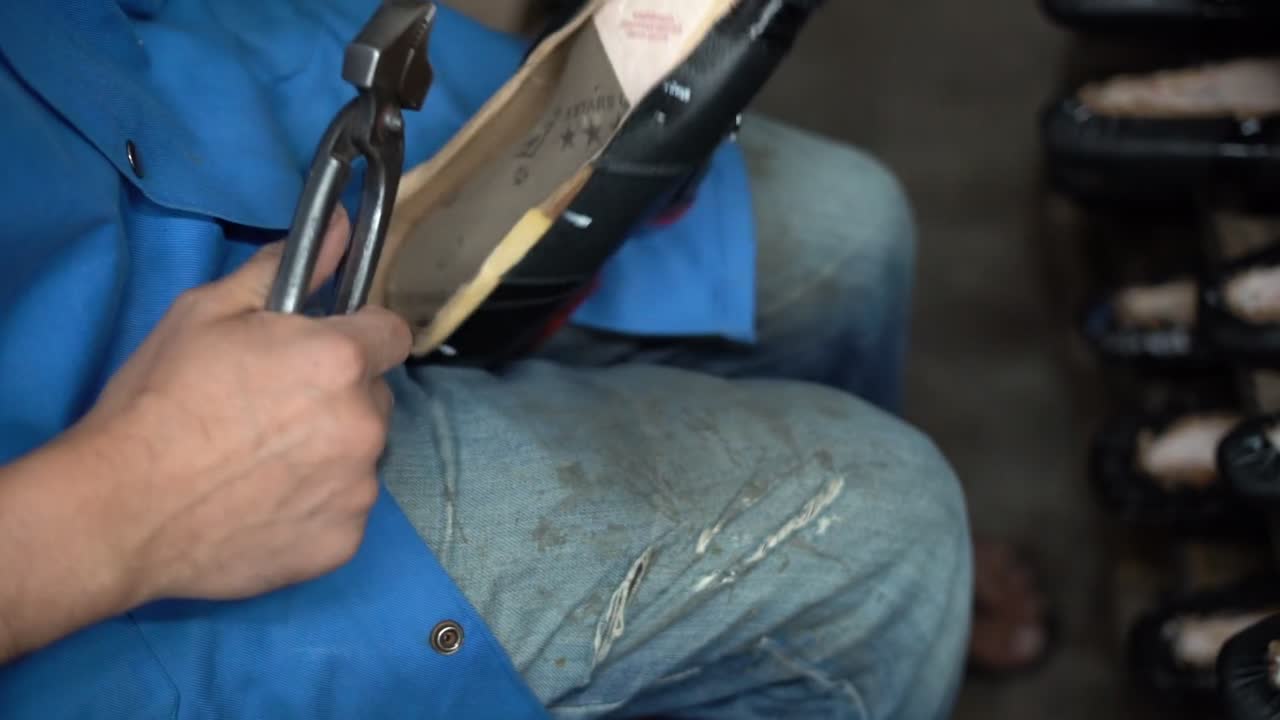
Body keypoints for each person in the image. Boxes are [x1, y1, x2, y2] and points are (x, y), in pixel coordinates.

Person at [0, 1, 974, 717]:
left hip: (144, 96)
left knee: (849, 229)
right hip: (90, 519)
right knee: (885, 538)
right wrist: (125, 510)